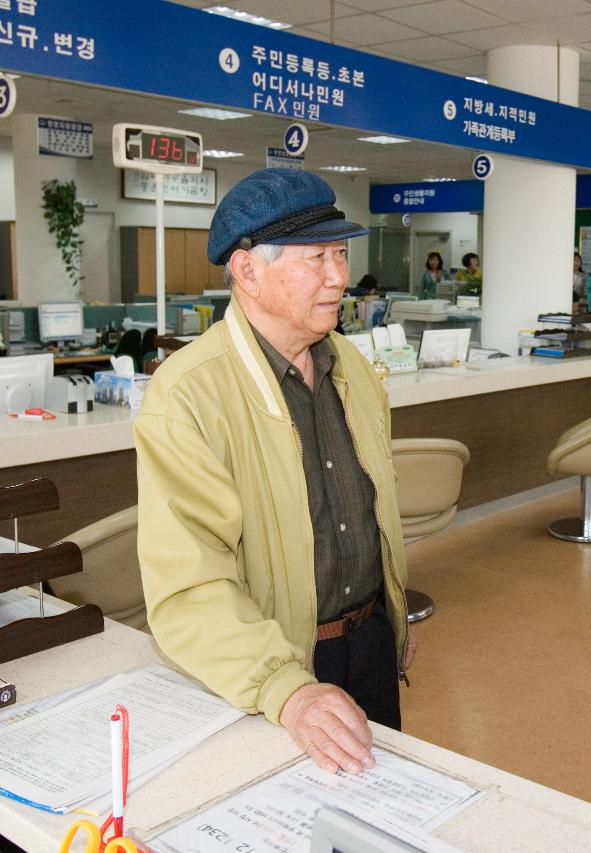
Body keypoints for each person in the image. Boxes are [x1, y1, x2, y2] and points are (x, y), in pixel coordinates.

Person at [135, 168, 414, 778]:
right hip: (271, 667)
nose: (339, 277)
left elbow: (373, 513)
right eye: (316, 258)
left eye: (341, 254)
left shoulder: (355, 373)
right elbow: (190, 587)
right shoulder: (188, 396)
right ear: (247, 271)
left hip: (370, 643)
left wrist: (388, 614)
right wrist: (283, 688)